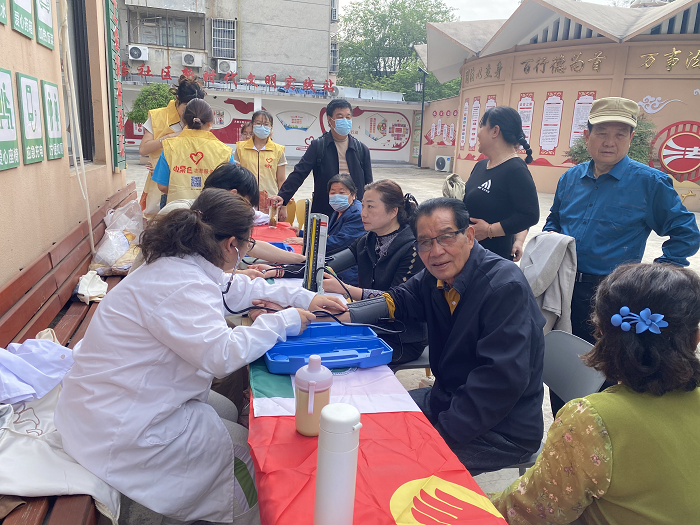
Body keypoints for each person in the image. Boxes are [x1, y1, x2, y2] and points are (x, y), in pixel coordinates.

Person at [55, 189, 347, 525]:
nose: (246, 252)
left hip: (113, 398)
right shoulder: (182, 284)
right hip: (120, 426)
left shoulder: (182, 263)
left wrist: (303, 298)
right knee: (248, 455)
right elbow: (222, 355)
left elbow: (232, 288)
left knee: (225, 410)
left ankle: (201, 497)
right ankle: (243, 515)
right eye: (248, 245)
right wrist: (283, 321)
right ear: (231, 244)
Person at [340, 198, 545, 474]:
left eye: (446, 237)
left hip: (502, 428)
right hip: (447, 399)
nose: (436, 251)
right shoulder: (436, 277)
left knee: (394, 466)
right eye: (425, 242)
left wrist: (436, 438)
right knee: (368, 419)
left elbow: (498, 384)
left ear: (469, 236)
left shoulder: (504, 287)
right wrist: (345, 313)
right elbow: (401, 299)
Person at [491, 263, 700, 525]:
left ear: (601, 333)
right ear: (695, 338)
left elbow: (533, 510)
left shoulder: (590, 419)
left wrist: (475, 501)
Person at [543, 96, 700, 413]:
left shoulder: (649, 183)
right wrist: (550, 242)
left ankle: (601, 433)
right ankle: (564, 429)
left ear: (631, 138)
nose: (609, 142)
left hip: (612, 297)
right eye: (602, 133)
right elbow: (554, 221)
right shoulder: (570, 179)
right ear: (587, 136)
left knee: (606, 373)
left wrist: (653, 281)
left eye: (620, 134)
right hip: (563, 288)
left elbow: (686, 233)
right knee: (561, 363)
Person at [129, 163, 304, 275]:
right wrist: (237, 275)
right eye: (244, 204)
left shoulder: (211, 214)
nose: (245, 212)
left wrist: (300, 260)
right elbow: (186, 270)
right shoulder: (181, 213)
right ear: (232, 194)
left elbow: (250, 245)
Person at [323, 180, 427, 364]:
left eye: (370, 207)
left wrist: (344, 288)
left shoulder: (412, 248)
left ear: (393, 211)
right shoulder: (368, 240)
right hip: (371, 324)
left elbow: (396, 301)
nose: (363, 213)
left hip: (400, 337)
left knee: (332, 350)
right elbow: (331, 263)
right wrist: (282, 269)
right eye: (363, 205)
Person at [463, 106, 539, 261]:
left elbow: (529, 215)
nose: (478, 133)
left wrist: (490, 230)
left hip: (492, 260)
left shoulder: (516, 170)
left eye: (482, 126)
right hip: (469, 253)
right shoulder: (480, 166)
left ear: (495, 131)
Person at [274, 98, 372, 217]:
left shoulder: (362, 149)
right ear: (329, 120)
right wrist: (283, 196)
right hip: (325, 209)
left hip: (355, 212)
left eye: (348, 117)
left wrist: (370, 209)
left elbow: (369, 185)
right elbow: (299, 173)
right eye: (340, 117)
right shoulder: (318, 146)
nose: (345, 121)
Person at [139, 75, 205, 214]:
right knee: (161, 218)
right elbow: (143, 149)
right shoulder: (158, 116)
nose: (190, 113)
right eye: (186, 108)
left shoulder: (199, 118)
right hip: (160, 181)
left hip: (188, 182)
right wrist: (170, 137)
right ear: (177, 99)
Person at [282, 173, 364, 284]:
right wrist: (301, 233)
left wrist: (308, 241)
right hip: (330, 261)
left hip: (345, 271)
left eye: (341, 193)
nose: (337, 196)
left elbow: (339, 242)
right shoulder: (340, 210)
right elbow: (327, 234)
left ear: (352, 194)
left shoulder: (357, 214)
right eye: (333, 193)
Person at [151, 99, 235, 205]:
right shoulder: (225, 152)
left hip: (178, 211)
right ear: (210, 123)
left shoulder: (169, 147)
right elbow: (232, 187)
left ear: (185, 121)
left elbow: (162, 186)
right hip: (212, 212)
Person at [234, 110, 287, 216]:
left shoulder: (278, 150)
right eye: (258, 123)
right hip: (245, 200)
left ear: (271, 127)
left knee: (269, 225)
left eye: (266, 124)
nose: (262, 127)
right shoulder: (240, 148)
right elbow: (236, 178)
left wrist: (284, 205)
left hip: (271, 201)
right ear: (252, 125)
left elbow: (281, 181)